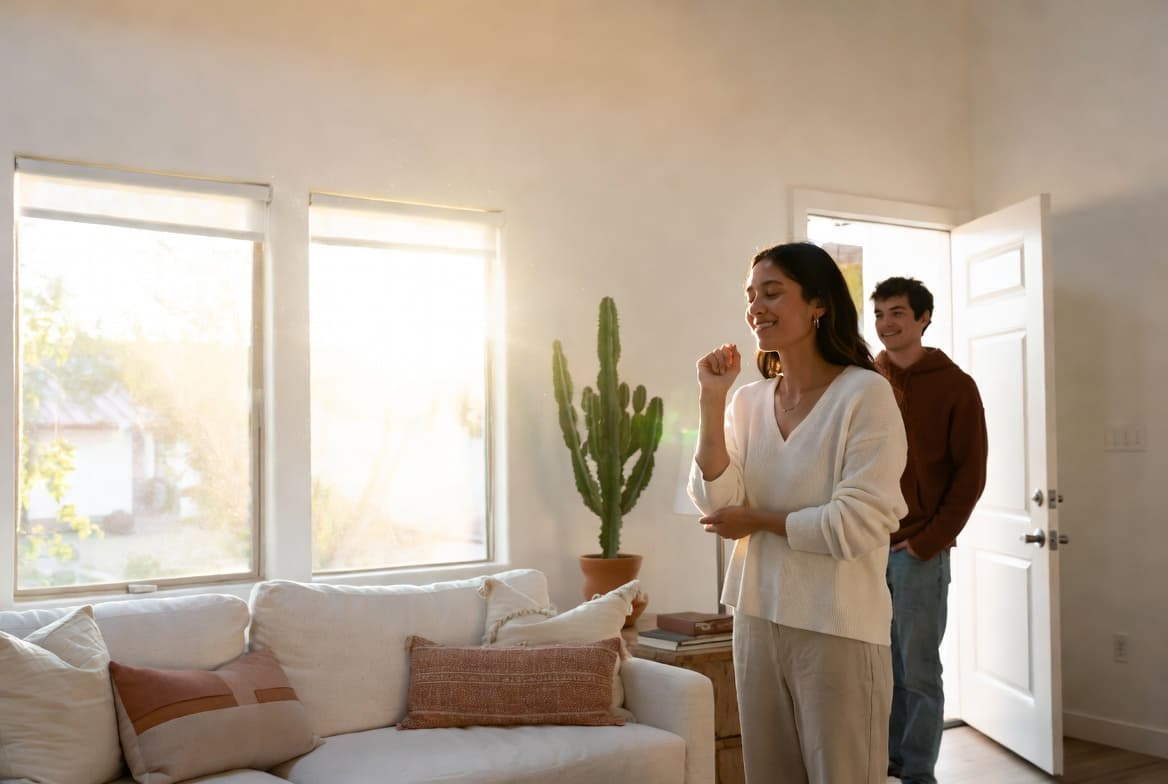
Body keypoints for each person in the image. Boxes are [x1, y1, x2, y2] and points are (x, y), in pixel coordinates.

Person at [689, 242, 908, 784]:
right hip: (756, 617)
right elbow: (716, 503)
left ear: (818, 303)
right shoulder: (746, 401)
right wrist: (712, 400)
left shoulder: (865, 394)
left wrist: (759, 520)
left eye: (772, 292)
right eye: (750, 296)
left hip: (837, 626)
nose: (756, 307)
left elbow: (855, 525)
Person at [871, 276, 988, 784]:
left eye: (897, 313)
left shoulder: (956, 385)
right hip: (865, 549)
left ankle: (918, 772)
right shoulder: (864, 379)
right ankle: (886, 764)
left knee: (917, 669)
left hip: (918, 551)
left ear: (923, 319)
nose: (886, 324)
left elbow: (971, 475)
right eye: (879, 314)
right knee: (878, 667)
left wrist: (928, 542)